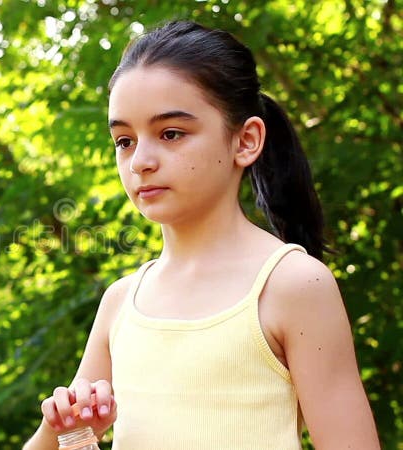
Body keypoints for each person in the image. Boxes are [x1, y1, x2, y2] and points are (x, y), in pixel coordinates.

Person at [24, 21, 381, 449]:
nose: (140, 161)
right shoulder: (121, 302)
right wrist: (65, 431)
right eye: (124, 140)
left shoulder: (292, 284)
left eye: (170, 133)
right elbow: (72, 439)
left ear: (246, 140)